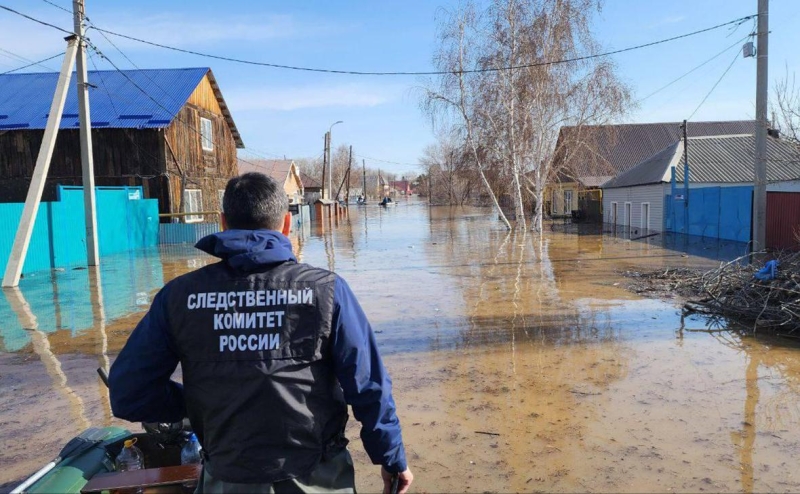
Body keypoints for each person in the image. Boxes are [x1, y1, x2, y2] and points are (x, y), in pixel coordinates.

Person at [109, 172, 413, 494]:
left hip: (226, 478)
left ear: (223, 223)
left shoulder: (179, 297)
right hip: (317, 476)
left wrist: (194, 403)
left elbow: (129, 392)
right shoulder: (327, 291)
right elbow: (368, 386)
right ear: (286, 224)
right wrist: (391, 458)